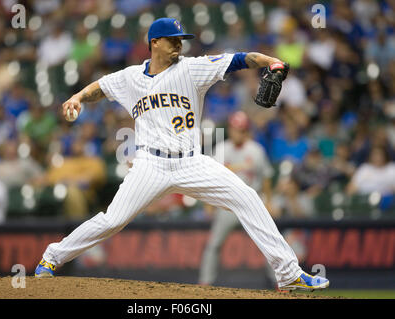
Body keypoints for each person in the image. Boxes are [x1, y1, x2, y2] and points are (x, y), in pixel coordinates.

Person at [35, 18, 329, 291]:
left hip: (191, 162)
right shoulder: (130, 77)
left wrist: (271, 61)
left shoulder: (192, 68)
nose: (179, 43)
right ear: (154, 42)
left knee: (248, 197)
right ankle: (52, 257)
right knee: (113, 220)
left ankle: (288, 272)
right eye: (172, 39)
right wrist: (77, 97)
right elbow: (101, 87)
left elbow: (239, 59)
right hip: (150, 164)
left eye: (181, 39)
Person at [198, 111, 275, 286]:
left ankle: (279, 282)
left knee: (268, 243)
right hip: (228, 205)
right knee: (214, 244)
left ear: (246, 130)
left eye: (240, 129)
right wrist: (208, 204)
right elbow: (212, 178)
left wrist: (269, 201)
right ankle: (204, 283)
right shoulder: (221, 149)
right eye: (234, 129)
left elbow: (267, 177)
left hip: (251, 204)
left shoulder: (256, 150)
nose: (237, 132)